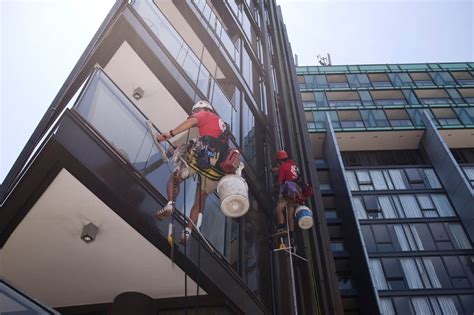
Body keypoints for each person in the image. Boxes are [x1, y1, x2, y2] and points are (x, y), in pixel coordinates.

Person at [155, 100, 228, 243]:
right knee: (201, 198)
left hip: (200, 157)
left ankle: (170, 204)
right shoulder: (222, 125)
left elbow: (192, 122)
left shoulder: (204, 114)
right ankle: (188, 231)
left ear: (202, 108)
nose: (194, 114)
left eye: (195, 111)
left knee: (174, 179)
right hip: (217, 168)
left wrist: (169, 134)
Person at [273, 150, 302, 239]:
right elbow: (298, 177)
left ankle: (281, 228)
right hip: (297, 192)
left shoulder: (282, 167)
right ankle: (292, 234)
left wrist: (274, 186)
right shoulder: (294, 165)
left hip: (288, 192)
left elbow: (280, 181)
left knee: (279, 208)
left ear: (279, 160)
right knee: (290, 215)